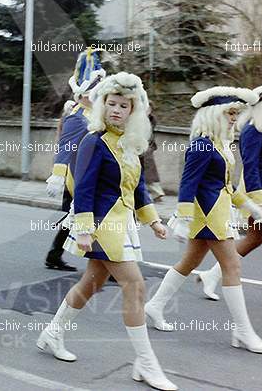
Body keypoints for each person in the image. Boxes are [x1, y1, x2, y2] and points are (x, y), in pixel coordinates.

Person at [37, 72, 177, 391]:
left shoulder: (131, 142)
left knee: (92, 282)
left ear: (133, 110)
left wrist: (153, 220)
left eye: (123, 105)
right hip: (100, 225)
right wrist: (84, 230)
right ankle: (145, 362)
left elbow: (137, 186)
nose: (116, 109)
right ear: (102, 106)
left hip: (123, 223)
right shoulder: (93, 140)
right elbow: (83, 188)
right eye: (111, 103)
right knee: (135, 285)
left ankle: (52, 333)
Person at [144, 86, 262, 355]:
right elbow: (188, 183)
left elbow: (226, 185)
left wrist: (250, 206)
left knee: (189, 262)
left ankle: (155, 306)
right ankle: (242, 331)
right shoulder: (202, 144)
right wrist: (182, 217)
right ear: (214, 114)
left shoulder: (220, 145)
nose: (233, 119)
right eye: (229, 113)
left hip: (217, 212)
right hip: (208, 216)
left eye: (235, 114)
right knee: (232, 266)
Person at [196, 79, 262, 309]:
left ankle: (212, 274)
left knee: (255, 239)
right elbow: (250, 166)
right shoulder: (252, 130)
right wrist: (257, 202)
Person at [44, 48, 107, 271]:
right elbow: (66, 147)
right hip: (78, 175)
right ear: (81, 95)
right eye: (91, 92)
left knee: (77, 216)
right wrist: (57, 176)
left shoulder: (98, 116)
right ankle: (104, 263)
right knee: (91, 215)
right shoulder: (76, 118)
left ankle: (54, 255)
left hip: (95, 173)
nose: (95, 96)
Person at [140, 102, 165, 201]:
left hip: (147, 148)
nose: (147, 111)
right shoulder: (138, 119)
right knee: (145, 172)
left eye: (149, 109)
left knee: (149, 172)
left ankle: (157, 193)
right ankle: (155, 193)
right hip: (140, 148)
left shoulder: (151, 120)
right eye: (145, 108)